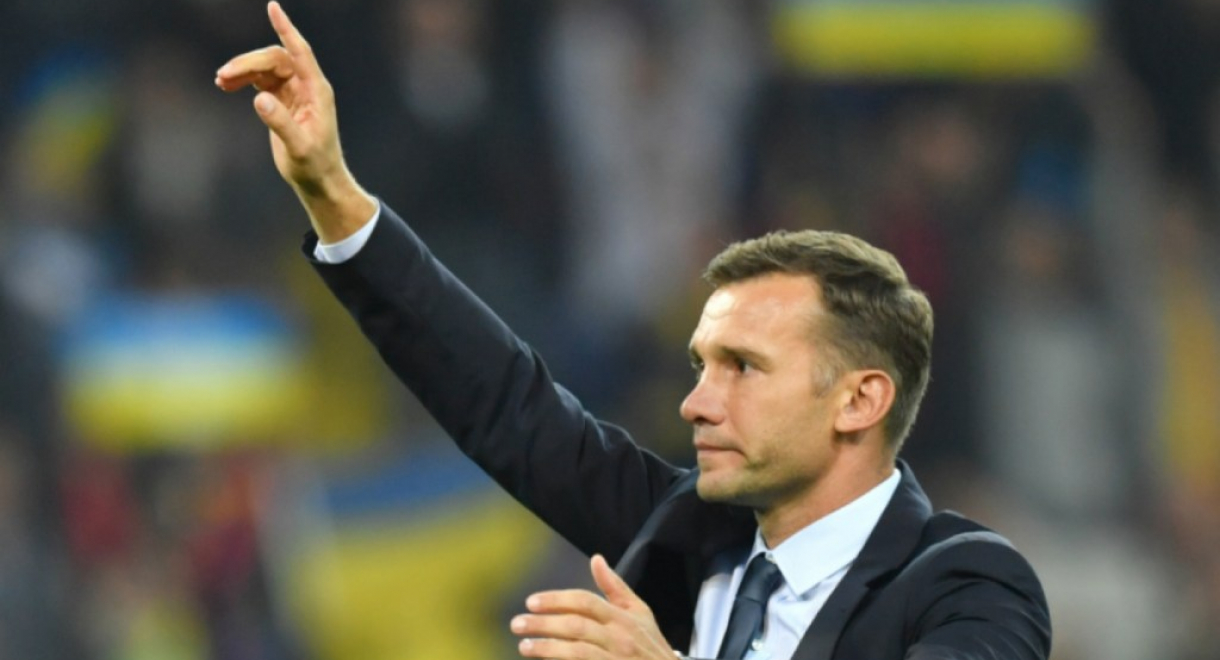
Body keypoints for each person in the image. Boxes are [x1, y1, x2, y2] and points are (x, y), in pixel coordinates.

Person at [215, 4, 1051, 659]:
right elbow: (505, 402)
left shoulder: (966, 585)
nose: (696, 403)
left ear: (859, 400)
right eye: (702, 366)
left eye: (744, 368)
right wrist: (333, 193)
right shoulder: (687, 537)